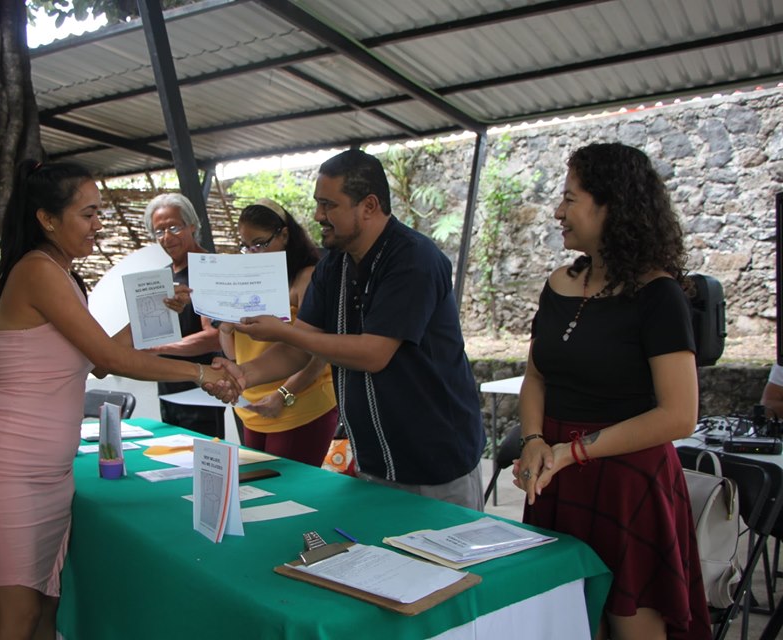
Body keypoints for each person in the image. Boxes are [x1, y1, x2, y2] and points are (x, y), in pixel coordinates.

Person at [0, 161, 234, 640]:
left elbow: (99, 362)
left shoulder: (62, 275)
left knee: (47, 612)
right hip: (12, 470)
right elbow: (110, 356)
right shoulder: (37, 271)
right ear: (48, 219)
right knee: (20, 615)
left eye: (99, 213)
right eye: (88, 215)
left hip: (49, 472)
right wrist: (202, 372)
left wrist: (158, 309)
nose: (98, 225)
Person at [208, 149, 485, 508]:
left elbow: (373, 353)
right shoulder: (332, 267)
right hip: (373, 460)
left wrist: (283, 331)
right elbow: (299, 349)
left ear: (368, 206)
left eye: (328, 205)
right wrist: (244, 373)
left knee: (445, 563)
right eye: (318, 204)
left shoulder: (413, 260)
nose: (318, 215)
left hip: (436, 462)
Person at [514, 142, 711, 639]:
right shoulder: (560, 282)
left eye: (570, 198)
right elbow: (537, 375)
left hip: (625, 478)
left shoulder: (657, 294)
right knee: (567, 618)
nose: (558, 211)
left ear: (612, 206)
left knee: (630, 621)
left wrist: (572, 451)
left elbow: (679, 415)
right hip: (557, 472)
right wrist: (535, 440)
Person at [216, 198, 338, 466]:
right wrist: (225, 328)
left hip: (299, 404)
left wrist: (283, 395)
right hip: (254, 406)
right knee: (260, 494)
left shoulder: (307, 277)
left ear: (284, 235)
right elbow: (239, 353)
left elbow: (320, 352)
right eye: (245, 247)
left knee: (290, 498)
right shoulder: (244, 281)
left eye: (259, 244)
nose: (252, 253)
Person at [143, 193, 226, 438]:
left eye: (174, 227)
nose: (167, 237)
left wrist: (157, 348)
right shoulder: (163, 275)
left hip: (201, 390)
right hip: (168, 387)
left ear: (192, 225)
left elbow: (214, 337)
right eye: (159, 231)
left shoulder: (209, 268)